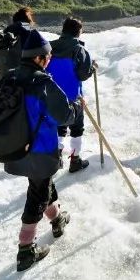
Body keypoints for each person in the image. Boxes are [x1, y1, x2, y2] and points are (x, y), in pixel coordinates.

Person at [2, 29, 75, 271]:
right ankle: (26, 249)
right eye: (48, 56)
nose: (50, 60)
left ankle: (56, 219)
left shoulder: (9, 77)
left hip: (15, 148)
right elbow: (63, 116)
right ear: (39, 58)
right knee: (37, 194)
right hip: (40, 150)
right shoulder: (43, 82)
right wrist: (75, 107)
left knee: (42, 185)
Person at [48, 17, 97, 173]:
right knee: (76, 128)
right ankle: (75, 161)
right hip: (73, 98)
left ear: (63, 30)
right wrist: (93, 68)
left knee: (58, 127)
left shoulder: (48, 47)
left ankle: (56, 157)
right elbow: (83, 75)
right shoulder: (80, 50)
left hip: (51, 96)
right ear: (78, 32)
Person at [0, 7, 39, 75]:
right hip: (22, 75)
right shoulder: (28, 28)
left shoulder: (6, 30)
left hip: (4, 77)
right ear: (28, 19)